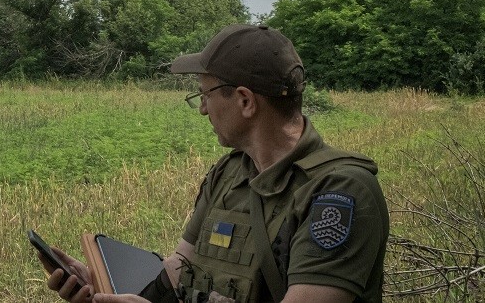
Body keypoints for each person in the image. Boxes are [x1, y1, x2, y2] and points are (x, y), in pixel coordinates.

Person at [39, 24, 389, 303]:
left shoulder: (341, 191)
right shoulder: (230, 172)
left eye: (205, 95)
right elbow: (179, 269)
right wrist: (102, 287)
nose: (203, 109)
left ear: (245, 101)